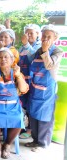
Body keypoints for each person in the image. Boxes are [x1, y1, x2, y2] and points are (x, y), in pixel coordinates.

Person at [0, 47, 28, 159]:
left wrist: (18, 76)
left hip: (13, 106)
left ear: (12, 60)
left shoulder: (17, 74)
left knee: (19, 118)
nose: (3, 59)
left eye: (6, 57)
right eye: (0, 58)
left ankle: (7, 145)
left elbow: (23, 89)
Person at [25, 24, 63, 152]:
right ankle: (35, 140)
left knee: (45, 118)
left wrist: (46, 51)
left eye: (48, 37)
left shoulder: (58, 51)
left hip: (47, 90)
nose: (45, 39)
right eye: (43, 36)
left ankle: (43, 144)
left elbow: (49, 66)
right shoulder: (38, 50)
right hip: (35, 88)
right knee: (34, 116)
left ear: (55, 38)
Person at [18, 24, 42, 139]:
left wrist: (26, 44)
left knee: (31, 106)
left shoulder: (40, 46)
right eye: (26, 33)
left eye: (31, 33)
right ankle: (20, 127)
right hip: (22, 81)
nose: (28, 36)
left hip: (33, 81)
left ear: (37, 34)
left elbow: (32, 58)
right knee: (22, 105)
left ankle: (30, 130)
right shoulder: (22, 47)